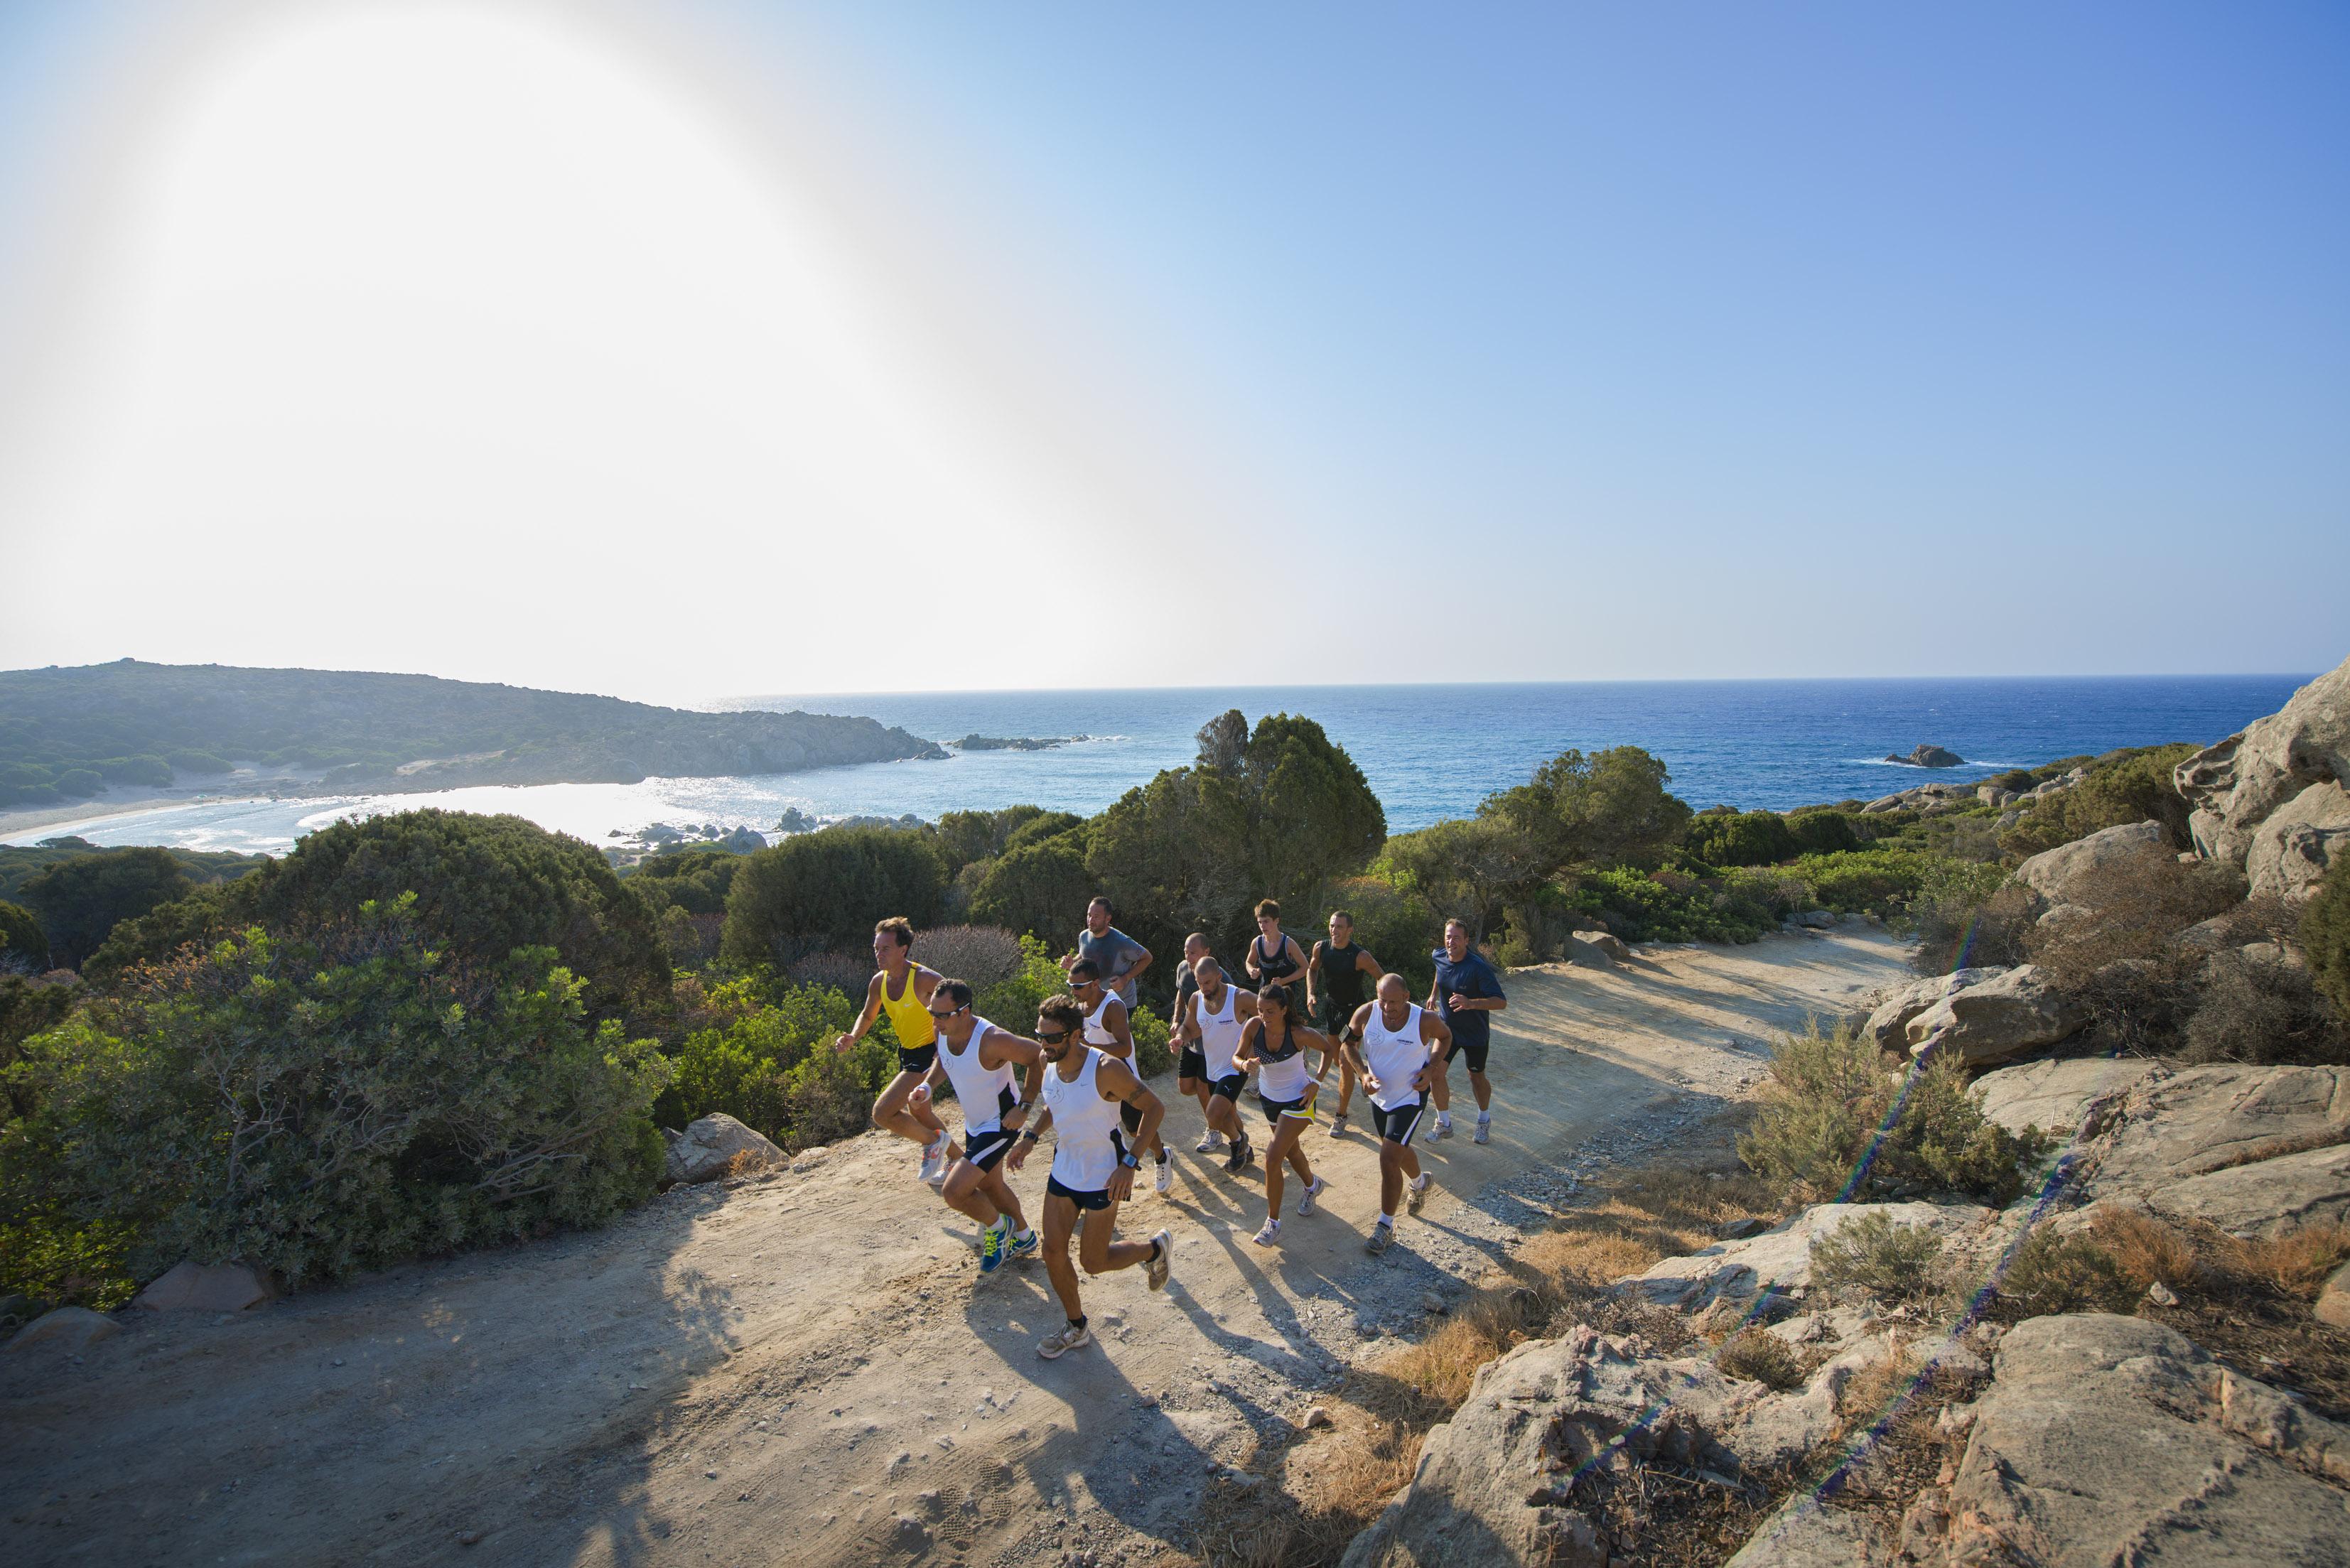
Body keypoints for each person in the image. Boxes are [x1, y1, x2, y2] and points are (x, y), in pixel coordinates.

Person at [1004, 993, 1173, 1359]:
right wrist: (1030, 1139)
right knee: (1052, 1251)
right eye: (1040, 1035)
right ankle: (1076, 1326)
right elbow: (1055, 1101)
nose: (1044, 1044)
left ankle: (1153, 1249)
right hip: (1065, 1167)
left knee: (1093, 1262)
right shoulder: (1049, 1061)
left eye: (1052, 1038)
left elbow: (1154, 1108)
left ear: (1076, 1035)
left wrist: (1129, 1163)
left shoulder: (1106, 1069)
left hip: (1104, 1173)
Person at [911, 979, 1042, 1275]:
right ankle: (1023, 1237)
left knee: (954, 1191)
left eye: (942, 1014)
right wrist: (927, 1087)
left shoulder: (992, 1039)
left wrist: (1024, 1108)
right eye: (933, 1012)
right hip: (975, 1123)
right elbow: (943, 1061)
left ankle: (998, 1227)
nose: (935, 1019)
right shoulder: (941, 1029)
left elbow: (1037, 1057)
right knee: (991, 1186)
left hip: (1000, 1124)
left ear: (965, 1012)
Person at [834, 917, 954, 1185]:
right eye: (876, 948)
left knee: (883, 1112)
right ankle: (957, 1159)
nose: (879, 954)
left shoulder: (925, 980)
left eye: (885, 949)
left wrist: (945, 1048)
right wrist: (853, 1036)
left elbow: (956, 1007)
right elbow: (867, 1015)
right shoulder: (879, 982)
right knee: (921, 1112)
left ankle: (934, 1143)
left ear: (903, 949)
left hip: (929, 1054)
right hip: (908, 1053)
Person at [1344, 973, 1453, 1255]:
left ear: (1406, 997)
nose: (1388, 1008)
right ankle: (1420, 1183)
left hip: (1410, 1097)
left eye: (1393, 1002)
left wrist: (1431, 1068)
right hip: (1380, 1098)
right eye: (1383, 1001)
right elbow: (1347, 1044)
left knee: (1389, 1156)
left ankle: (1385, 1227)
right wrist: (1363, 1074)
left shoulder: (1424, 1019)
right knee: (1398, 1151)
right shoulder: (1367, 1013)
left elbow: (1446, 1036)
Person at [1229, 983, 1330, 1247]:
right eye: (1261, 1010)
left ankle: (1272, 1224)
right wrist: (1244, 1064)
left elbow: (1330, 1049)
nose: (1264, 1016)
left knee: (1273, 1156)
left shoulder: (1298, 1034)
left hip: (1299, 1099)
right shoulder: (1253, 1027)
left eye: (1270, 1011)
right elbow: (1236, 1057)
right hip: (1270, 1100)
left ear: (1284, 1010)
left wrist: (1317, 1083)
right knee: (1290, 1151)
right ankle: (1312, 1185)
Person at [1069, 958, 1173, 1195]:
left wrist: (1089, 1048)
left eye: (1078, 986)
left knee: (1136, 1128)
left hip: (1121, 1075)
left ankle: (1161, 1156)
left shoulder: (1113, 1007)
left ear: (1095, 984)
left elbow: (1125, 1048)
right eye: (1071, 985)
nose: (1073, 991)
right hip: (1094, 1077)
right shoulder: (1079, 1008)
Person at [1425, 917, 1509, 1143]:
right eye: (1448, 937)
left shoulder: (1477, 967)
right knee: (1435, 1073)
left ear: (1466, 941)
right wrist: (1434, 994)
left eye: (1457, 938)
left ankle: (1484, 1120)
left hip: (1475, 1032)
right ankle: (1444, 1123)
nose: (1451, 942)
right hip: (1447, 1030)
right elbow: (1440, 971)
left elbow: (1501, 1002)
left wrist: (1471, 1003)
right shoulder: (1439, 955)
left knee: (1476, 1077)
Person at [1176, 956, 1260, 1174]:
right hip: (1212, 1067)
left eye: (1208, 983)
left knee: (1213, 1116)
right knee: (1229, 1114)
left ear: (1219, 977)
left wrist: (1252, 1051)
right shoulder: (1196, 999)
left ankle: (1237, 1145)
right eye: (1199, 983)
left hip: (1235, 1066)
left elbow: (1268, 1012)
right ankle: (1246, 1148)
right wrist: (1179, 1038)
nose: (1204, 988)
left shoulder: (1238, 998)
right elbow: (1190, 1027)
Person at [1306, 909, 1382, 1138]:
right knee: (1332, 1054)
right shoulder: (1321, 948)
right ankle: (1364, 1074)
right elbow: (1312, 968)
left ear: (1350, 930)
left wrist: (1378, 1008)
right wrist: (1310, 993)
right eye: (1332, 926)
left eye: (1340, 927)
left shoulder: (1360, 956)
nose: (1334, 931)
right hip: (1332, 1009)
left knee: (1344, 1061)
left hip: (1353, 1012)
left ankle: (1341, 1116)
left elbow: (1383, 979)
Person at [1169, 933, 1224, 1152]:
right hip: (1190, 1038)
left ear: (1206, 952)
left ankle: (1215, 1131)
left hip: (1211, 1044)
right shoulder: (1183, 968)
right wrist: (1176, 1019)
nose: (1189, 957)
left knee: (1204, 1088)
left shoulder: (1221, 977)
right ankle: (1223, 1113)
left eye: (1193, 952)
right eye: (1186, 952)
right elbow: (1181, 992)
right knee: (1186, 1087)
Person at [1060, 896, 1153, 1010]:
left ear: (1108, 919)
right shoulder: (1084, 936)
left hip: (1120, 1002)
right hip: (1094, 999)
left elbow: (1147, 958)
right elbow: (1084, 956)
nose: (1091, 920)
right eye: (1089, 915)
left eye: (1096, 917)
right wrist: (1073, 962)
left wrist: (1125, 978)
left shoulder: (1121, 941)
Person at [1242, 899, 1308, 1010]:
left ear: (1276, 920)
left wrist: (1283, 981)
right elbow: (1249, 962)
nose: (1263, 926)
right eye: (1260, 922)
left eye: (1266, 921)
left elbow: (1305, 968)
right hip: (1264, 997)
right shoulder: (1257, 943)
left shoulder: (1288, 944)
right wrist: (1251, 970)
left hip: (1286, 999)